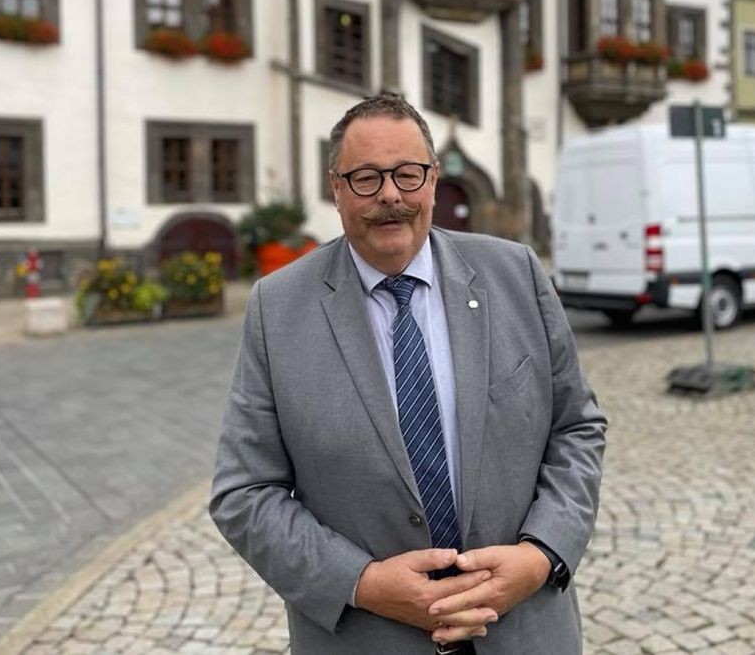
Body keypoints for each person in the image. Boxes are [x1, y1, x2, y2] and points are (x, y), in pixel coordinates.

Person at [209, 93, 606, 654]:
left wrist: (541, 555)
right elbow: (244, 492)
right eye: (367, 177)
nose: (391, 194)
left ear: (434, 179)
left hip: (524, 632)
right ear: (337, 188)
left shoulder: (515, 274)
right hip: (368, 637)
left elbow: (576, 429)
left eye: (408, 174)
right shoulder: (278, 308)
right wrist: (362, 583)